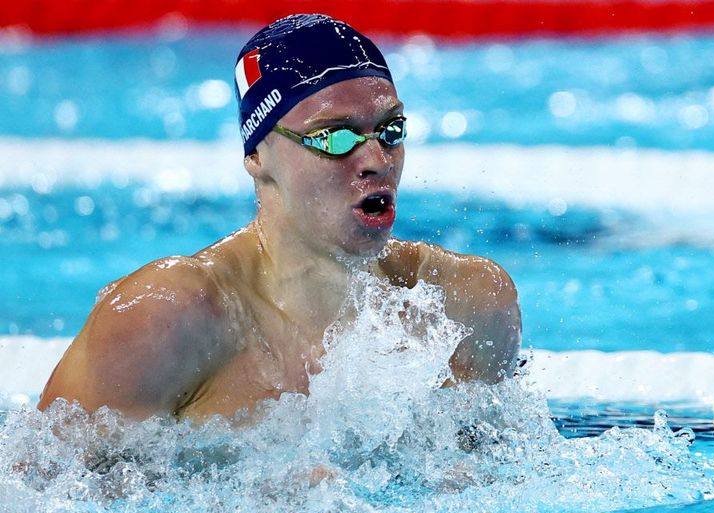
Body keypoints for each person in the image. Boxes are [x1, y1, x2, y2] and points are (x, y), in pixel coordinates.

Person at [37, 14, 522, 422]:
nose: (377, 158)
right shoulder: (168, 319)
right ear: (257, 157)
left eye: (390, 130)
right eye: (336, 137)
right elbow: (35, 498)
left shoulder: (464, 306)